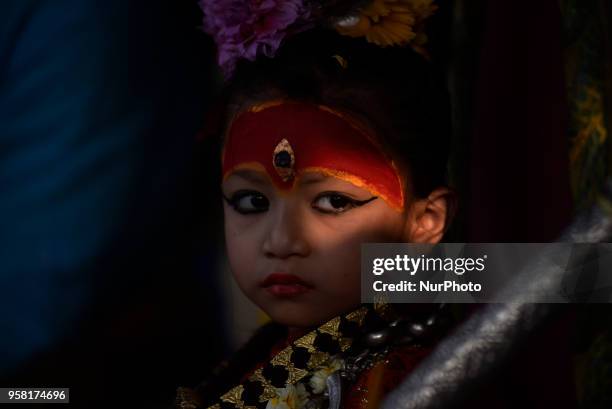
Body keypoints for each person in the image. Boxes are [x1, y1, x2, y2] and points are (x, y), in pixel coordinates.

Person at [175, 1, 457, 408]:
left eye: (333, 201)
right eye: (252, 201)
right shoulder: (265, 353)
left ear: (425, 221)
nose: (282, 240)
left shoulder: (418, 384)